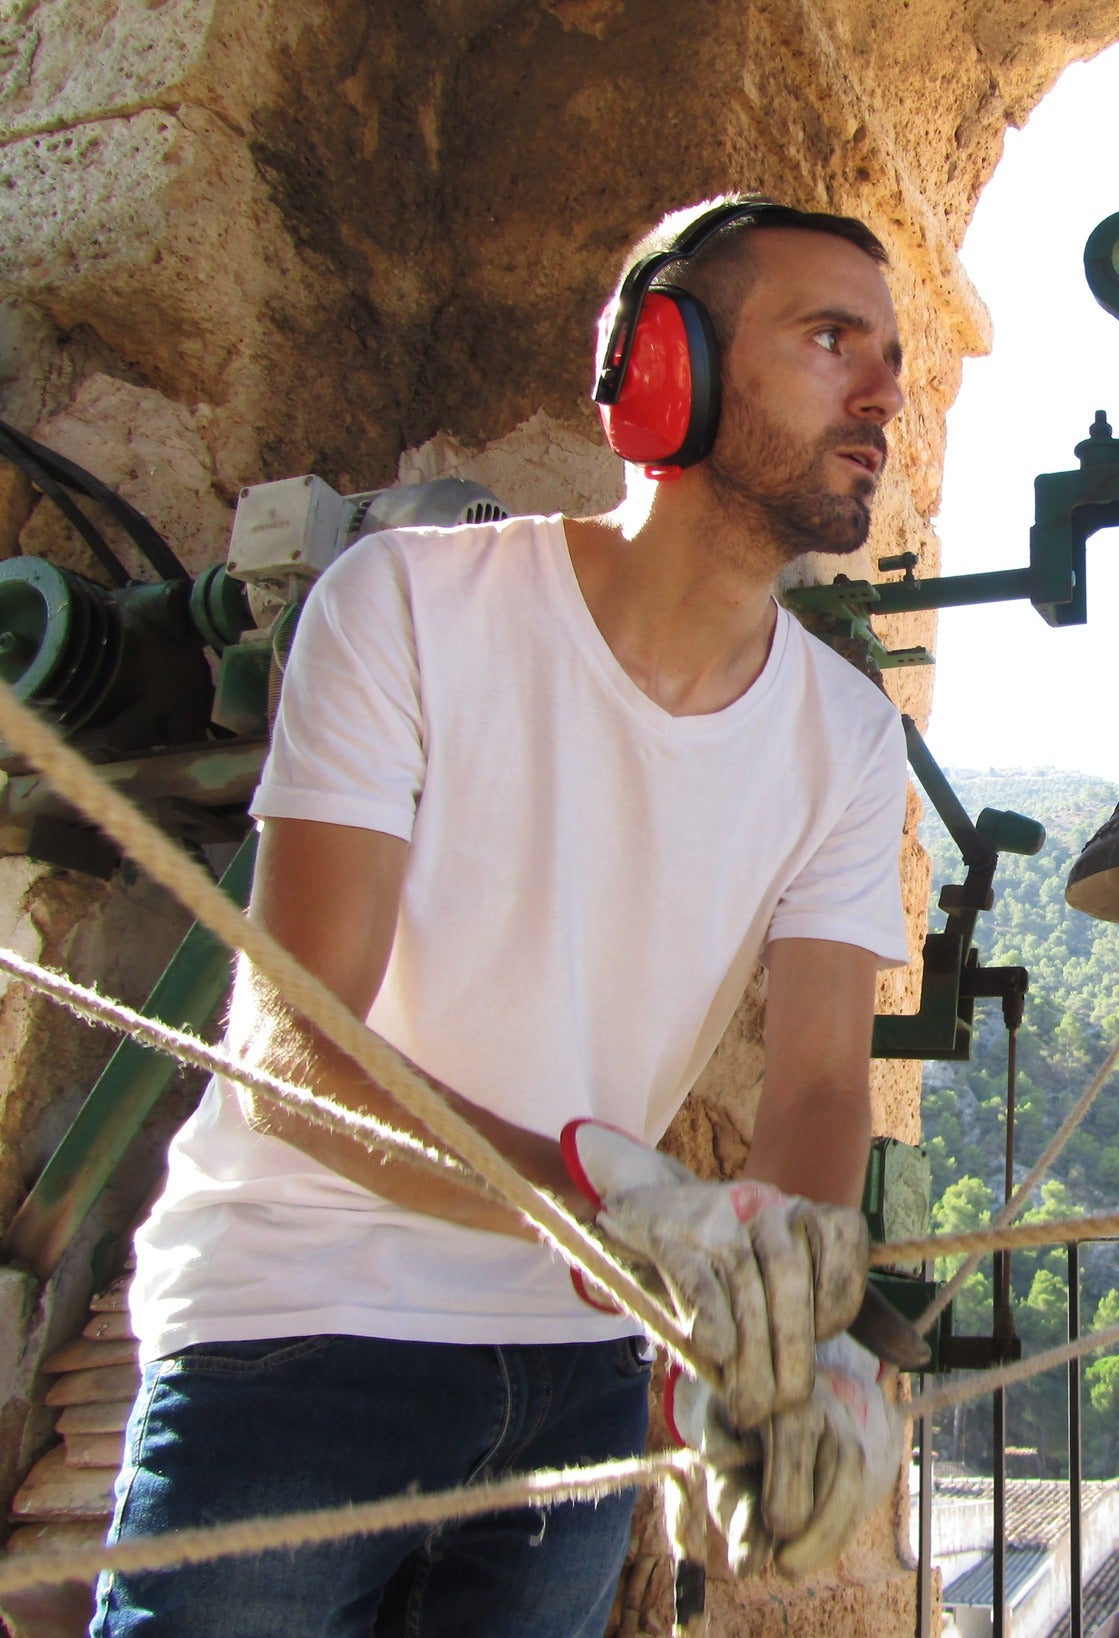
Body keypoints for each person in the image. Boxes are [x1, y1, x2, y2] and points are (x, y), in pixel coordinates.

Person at [97, 197, 916, 1636]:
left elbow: (820, 1084)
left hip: (580, 1380)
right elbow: (294, 1054)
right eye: (831, 337)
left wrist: (795, 1345)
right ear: (671, 369)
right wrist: (635, 1217)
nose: (885, 390)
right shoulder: (407, 605)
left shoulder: (848, 737)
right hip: (296, 1333)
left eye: (893, 353)